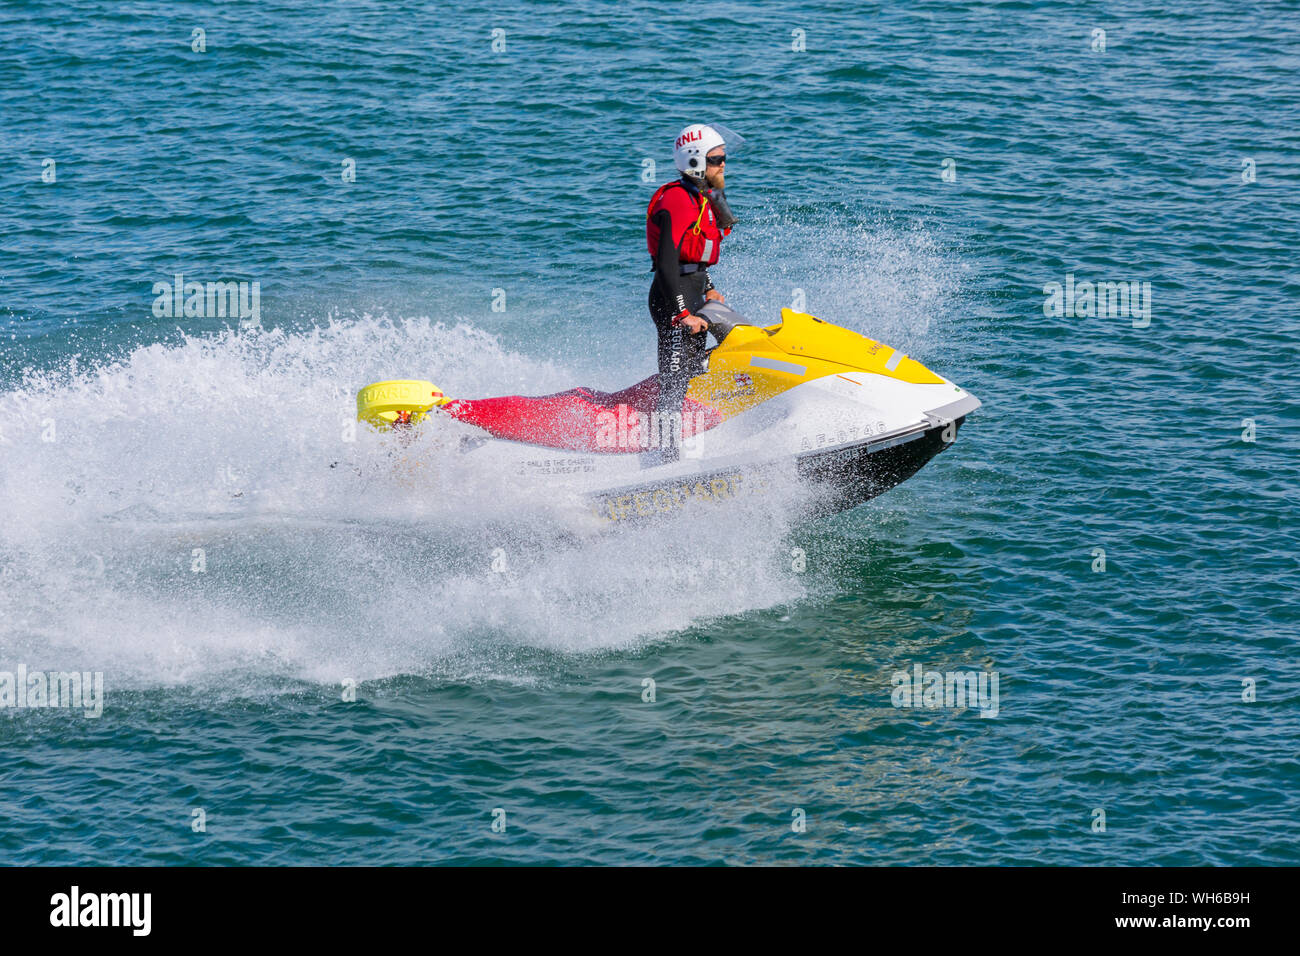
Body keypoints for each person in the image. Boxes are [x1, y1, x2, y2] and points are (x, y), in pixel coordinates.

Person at [645, 123, 737, 458]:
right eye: (716, 159)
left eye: (724, 158)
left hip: (693, 293)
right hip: (672, 299)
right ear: (696, 161)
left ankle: (697, 433)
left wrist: (710, 288)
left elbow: (693, 258)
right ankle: (664, 455)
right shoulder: (678, 200)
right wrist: (682, 313)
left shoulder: (700, 198)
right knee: (673, 380)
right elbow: (668, 261)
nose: (723, 164)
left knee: (695, 369)